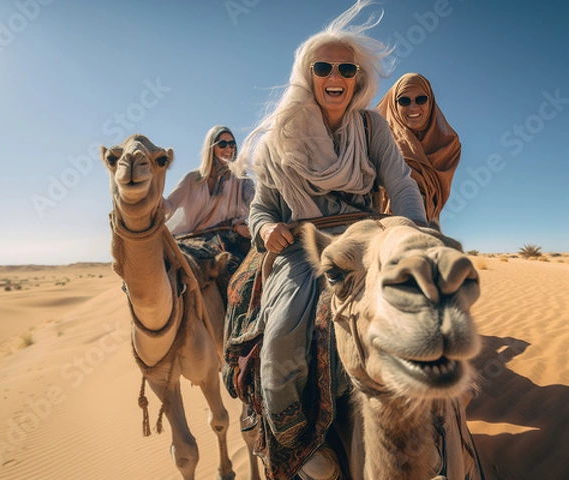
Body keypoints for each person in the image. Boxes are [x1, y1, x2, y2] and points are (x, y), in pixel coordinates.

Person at [230, 1, 427, 477]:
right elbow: (261, 206)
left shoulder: (371, 126)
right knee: (280, 335)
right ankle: (292, 434)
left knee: (421, 315)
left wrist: (417, 233)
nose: (335, 75)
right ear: (309, 74)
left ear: (357, 78)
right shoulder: (280, 138)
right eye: (324, 67)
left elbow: (399, 183)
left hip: (365, 236)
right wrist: (264, 228)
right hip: (305, 243)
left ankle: (434, 433)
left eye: (346, 67)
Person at [375, 72, 461, 225]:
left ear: (431, 102)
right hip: (381, 230)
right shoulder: (376, 140)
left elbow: (434, 197)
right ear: (394, 105)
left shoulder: (448, 145)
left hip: (425, 228)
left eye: (421, 99)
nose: (413, 107)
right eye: (404, 101)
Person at [164, 125, 254, 268]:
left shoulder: (240, 177)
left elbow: (254, 200)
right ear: (211, 148)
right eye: (222, 144)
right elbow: (168, 206)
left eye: (232, 144)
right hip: (196, 240)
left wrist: (241, 224)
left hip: (234, 235)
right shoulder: (192, 179)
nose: (228, 149)